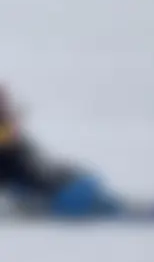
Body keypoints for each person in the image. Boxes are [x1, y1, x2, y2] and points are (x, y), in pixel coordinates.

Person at [0, 86, 118, 217]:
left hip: (40, 185)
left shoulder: (10, 134)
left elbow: (28, 159)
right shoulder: (8, 135)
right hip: (27, 186)